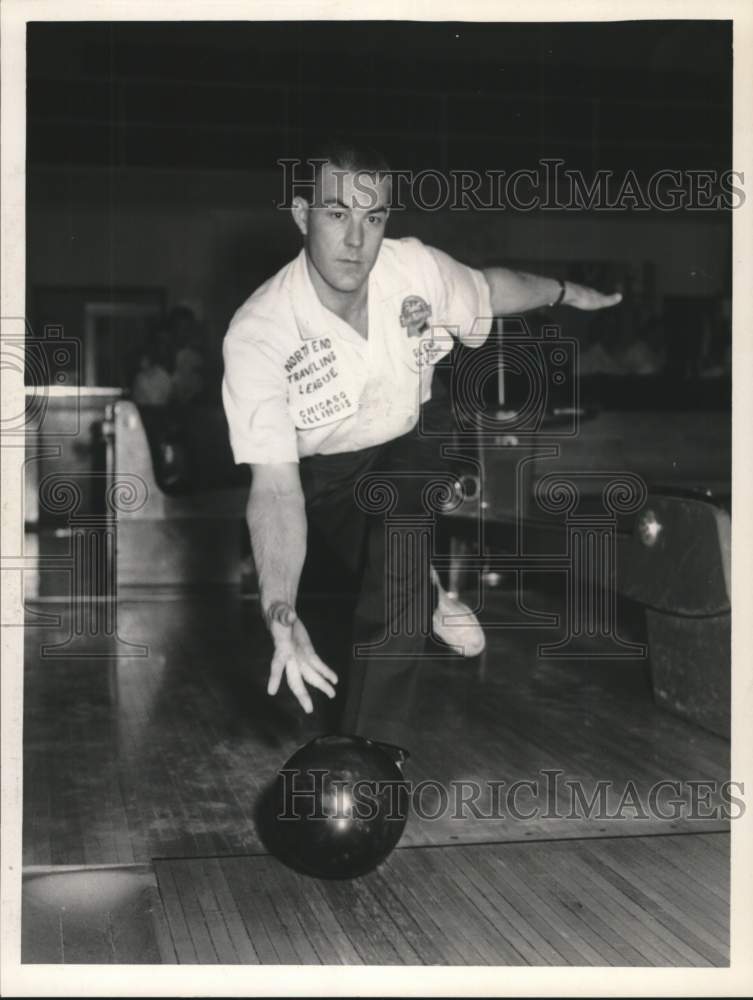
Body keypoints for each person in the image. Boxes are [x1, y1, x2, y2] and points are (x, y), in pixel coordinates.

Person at [222, 142, 621, 758]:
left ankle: (371, 754)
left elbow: (493, 287)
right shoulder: (259, 333)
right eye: (336, 214)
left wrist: (565, 291)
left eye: (373, 218)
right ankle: (427, 593)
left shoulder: (415, 271)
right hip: (322, 474)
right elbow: (275, 488)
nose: (356, 240)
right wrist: (280, 609)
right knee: (393, 568)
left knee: (401, 533)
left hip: (414, 436)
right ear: (302, 215)